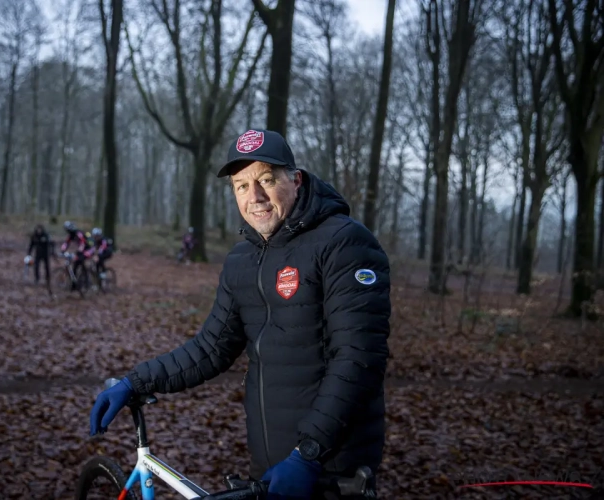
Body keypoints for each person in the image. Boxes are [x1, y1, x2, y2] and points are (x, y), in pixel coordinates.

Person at [88, 129, 390, 499]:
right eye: (241, 185)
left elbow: (358, 359)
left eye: (266, 180)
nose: (255, 197)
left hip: (331, 468)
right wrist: (135, 381)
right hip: (270, 466)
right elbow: (212, 347)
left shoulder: (344, 243)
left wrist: (309, 453)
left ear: (295, 180)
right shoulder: (243, 259)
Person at [60, 221, 90, 287]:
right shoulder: (71, 235)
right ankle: (74, 284)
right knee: (75, 265)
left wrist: (79, 250)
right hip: (82, 249)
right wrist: (62, 250)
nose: (68, 232)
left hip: (89, 248)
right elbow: (66, 243)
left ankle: (87, 280)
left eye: (68, 230)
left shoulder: (78, 233)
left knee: (79, 261)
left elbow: (83, 242)